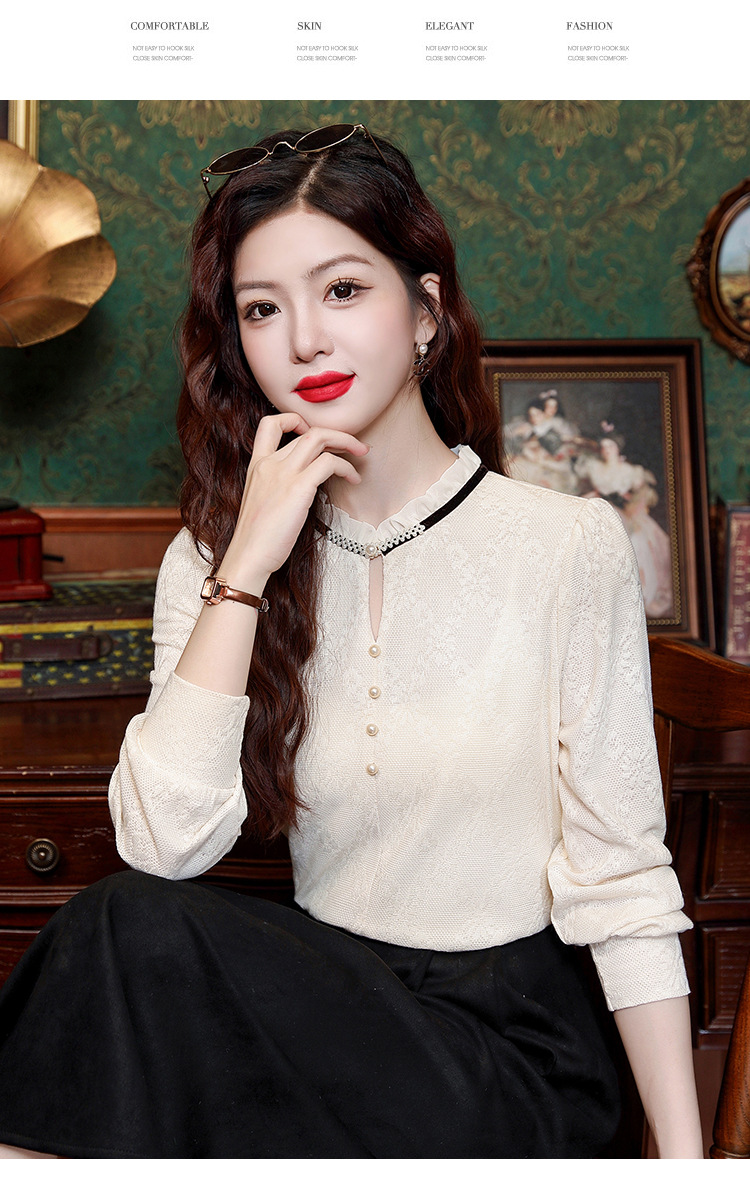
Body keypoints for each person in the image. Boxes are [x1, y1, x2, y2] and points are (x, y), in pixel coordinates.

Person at [0, 124, 702, 1159]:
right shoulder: (215, 561)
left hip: (510, 1055)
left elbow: (623, 878)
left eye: (342, 290)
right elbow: (162, 847)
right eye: (261, 309)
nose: (304, 342)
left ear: (424, 312)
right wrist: (248, 562)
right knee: (125, 923)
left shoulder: (566, 545)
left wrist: (683, 1163)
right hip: (334, 1014)